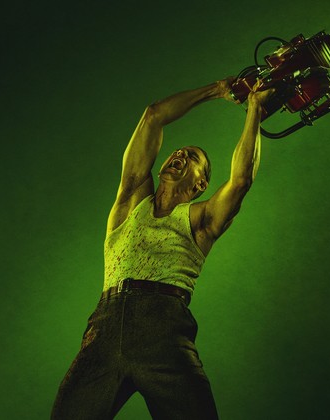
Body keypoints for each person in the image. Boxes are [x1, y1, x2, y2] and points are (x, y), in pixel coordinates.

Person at [51, 77, 275, 420]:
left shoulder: (201, 220)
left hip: (164, 332)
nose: (179, 154)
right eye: (178, 151)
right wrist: (217, 90)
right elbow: (153, 115)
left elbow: (241, 181)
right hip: (106, 328)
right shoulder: (131, 201)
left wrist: (255, 109)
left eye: (192, 157)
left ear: (200, 184)